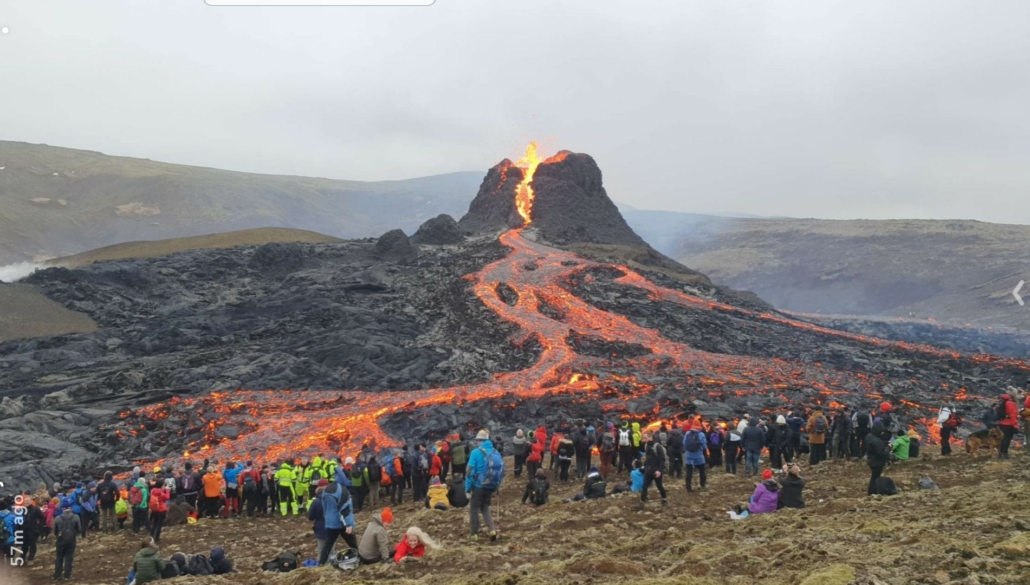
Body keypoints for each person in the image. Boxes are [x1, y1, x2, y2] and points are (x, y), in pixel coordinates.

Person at [465, 429, 503, 541]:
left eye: (477, 441)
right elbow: (501, 470)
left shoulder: (475, 453)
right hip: (491, 485)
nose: (476, 443)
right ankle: (492, 530)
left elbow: (469, 472)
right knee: (485, 507)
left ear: (480, 441)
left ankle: (474, 534)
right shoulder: (495, 452)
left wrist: (467, 489)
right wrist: (497, 485)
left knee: (474, 509)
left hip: (478, 485)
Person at [318, 480, 357, 566]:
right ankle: (361, 558)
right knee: (352, 542)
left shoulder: (326, 491)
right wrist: (349, 524)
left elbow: (325, 507)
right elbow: (345, 509)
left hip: (330, 522)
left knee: (328, 544)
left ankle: (321, 563)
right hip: (341, 523)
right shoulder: (342, 490)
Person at [639, 432, 668, 508]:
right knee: (644, 486)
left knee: (659, 486)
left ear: (650, 437)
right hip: (648, 470)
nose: (643, 440)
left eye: (645, 438)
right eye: (643, 438)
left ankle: (664, 499)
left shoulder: (657, 446)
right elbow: (648, 458)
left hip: (656, 471)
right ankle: (642, 502)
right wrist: (644, 466)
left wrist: (659, 470)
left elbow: (662, 459)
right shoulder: (646, 445)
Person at [53, 503, 81, 580]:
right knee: (69, 557)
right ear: (71, 508)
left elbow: (55, 531)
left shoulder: (57, 518)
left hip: (60, 540)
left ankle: (57, 575)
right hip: (71, 540)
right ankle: (67, 575)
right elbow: (79, 529)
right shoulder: (76, 517)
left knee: (59, 557)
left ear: (62, 509)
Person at [865, 422, 891, 496]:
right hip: (877, 462)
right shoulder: (876, 440)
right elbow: (882, 453)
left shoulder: (869, 436)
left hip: (871, 459)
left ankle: (872, 491)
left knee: (874, 477)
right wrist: (889, 446)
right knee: (875, 477)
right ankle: (872, 492)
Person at [683, 421, 708, 492]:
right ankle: (702, 484)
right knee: (702, 470)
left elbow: (684, 443)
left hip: (688, 456)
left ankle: (688, 487)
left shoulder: (687, 433)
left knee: (689, 472)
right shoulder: (701, 434)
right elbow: (704, 446)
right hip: (698, 456)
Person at [307, 479, 329, 561]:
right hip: (333, 527)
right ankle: (331, 567)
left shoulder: (316, 502)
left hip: (321, 528)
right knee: (331, 551)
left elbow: (310, 517)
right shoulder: (335, 499)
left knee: (321, 551)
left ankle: (321, 567)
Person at [20, 495, 45, 565]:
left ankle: (30, 559)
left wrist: (39, 528)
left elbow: (42, 518)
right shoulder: (21, 510)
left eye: (28, 501)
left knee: (32, 545)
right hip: (24, 531)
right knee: (24, 546)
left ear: (31, 501)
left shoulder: (35, 509)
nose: (26, 502)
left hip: (33, 531)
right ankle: (22, 558)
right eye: (25, 501)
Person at [997, 392, 1020, 458]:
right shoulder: (1010, 404)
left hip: (1002, 423)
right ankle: (1004, 453)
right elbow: (1012, 414)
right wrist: (1015, 424)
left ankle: (1001, 453)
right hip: (1009, 424)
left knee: (1003, 438)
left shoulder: (1003, 403)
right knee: (1007, 439)